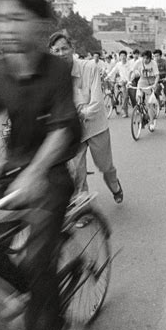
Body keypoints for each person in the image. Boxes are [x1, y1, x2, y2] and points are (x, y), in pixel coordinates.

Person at [0, 0, 82, 330]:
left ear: (39, 23)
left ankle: (52, 326)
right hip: (12, 169)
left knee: (38, 250)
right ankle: (31, 290)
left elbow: (63, 129)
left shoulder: (57, 70)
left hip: (50, 169)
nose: (4, 28)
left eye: (14, 18)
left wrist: (34, 173)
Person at [49, 32, 123, 212]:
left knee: (105, 167)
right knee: (76, 172)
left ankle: (114, 185)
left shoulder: (90, 68)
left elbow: (97, 102)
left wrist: (79, 113)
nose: (61, 54)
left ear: (72, 49)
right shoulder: (51, 76)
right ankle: (83, 211)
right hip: (73, 131)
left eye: (64, 48)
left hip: (96, 126)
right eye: (56, 50)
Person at [130, 50, 160, 131]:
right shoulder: (139, 62)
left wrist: (155, 84)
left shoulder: (153, 63)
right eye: (144, 58)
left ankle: (151, 122)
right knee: (138, 98)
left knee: (149, 104)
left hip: (151, 82)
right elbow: (132, 71)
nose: (145, 60)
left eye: (147, 58)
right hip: (142, 81)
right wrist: (130, 81)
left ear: (150, 58)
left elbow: (157, 76)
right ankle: (140, 112)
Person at [106, 49, 131, 117]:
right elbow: (113, 71)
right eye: (121, 56)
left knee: (130, 97)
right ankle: (122, 109)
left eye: (124, 55)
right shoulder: (118, 64)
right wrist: (107, 77)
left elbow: (132, 73)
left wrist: (129, 80)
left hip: (129, 82)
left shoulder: (129, 64)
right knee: (122, 95)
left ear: (126, 56)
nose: (122, 57)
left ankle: (129, 110)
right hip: (122, 82)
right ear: (119, 57)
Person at [153, 49, 166, 115]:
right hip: (157, 78)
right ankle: (159, 103)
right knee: (155, 92)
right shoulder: (153, 62)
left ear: (160, 56)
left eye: (157, 56)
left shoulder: (165, 61)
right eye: (155, 56)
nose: (156, 57)